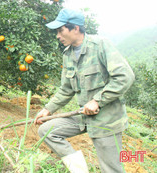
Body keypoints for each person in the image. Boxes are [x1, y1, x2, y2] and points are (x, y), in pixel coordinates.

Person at [34, 8, 135, 173]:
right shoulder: (68, 54)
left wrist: (97, 100)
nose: (58, 35)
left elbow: (125, 77)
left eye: (61, 30)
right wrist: (48, 109)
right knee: (47, 131)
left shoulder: (100, 45)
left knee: (111, 169)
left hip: (106, 120)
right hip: (83, 116)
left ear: (75, 28)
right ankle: (80, 170)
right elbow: (66, 89)